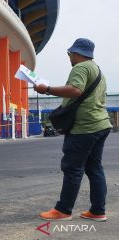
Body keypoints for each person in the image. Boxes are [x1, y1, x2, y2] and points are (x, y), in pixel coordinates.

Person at [35, 38, 112, 222]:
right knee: (94, 168)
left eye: (69, 54)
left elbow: (75, 90)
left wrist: (47, 89)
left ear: (76, 54)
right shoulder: (97, 69)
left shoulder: (80, 67)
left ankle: (63, 210)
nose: (69, 57)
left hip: (84, 127)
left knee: (72, 168)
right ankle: (97, 211)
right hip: (101, 124)